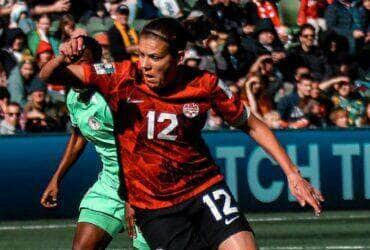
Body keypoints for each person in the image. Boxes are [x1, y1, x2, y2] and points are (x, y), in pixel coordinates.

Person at [40, 18, 324, 250]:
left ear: (178, 57)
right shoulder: (121, 76)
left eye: (154, 57)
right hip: (155, 205)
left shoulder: (204, 84)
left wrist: (292, 174)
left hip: (203, 187)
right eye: (141, 55)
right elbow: (50, 76)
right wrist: (61, 58)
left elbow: (252, 124)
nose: (145, 64)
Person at [40, 36, 149, 250]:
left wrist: (130, 198)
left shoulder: (113, 98)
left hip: (145, 186)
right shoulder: (73, 95)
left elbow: (138, 149)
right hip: (110, 186)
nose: (76, 70)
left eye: (83, 64)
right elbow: (79, 136)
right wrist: (56, 179)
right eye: (73, 63)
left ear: (96, 66)